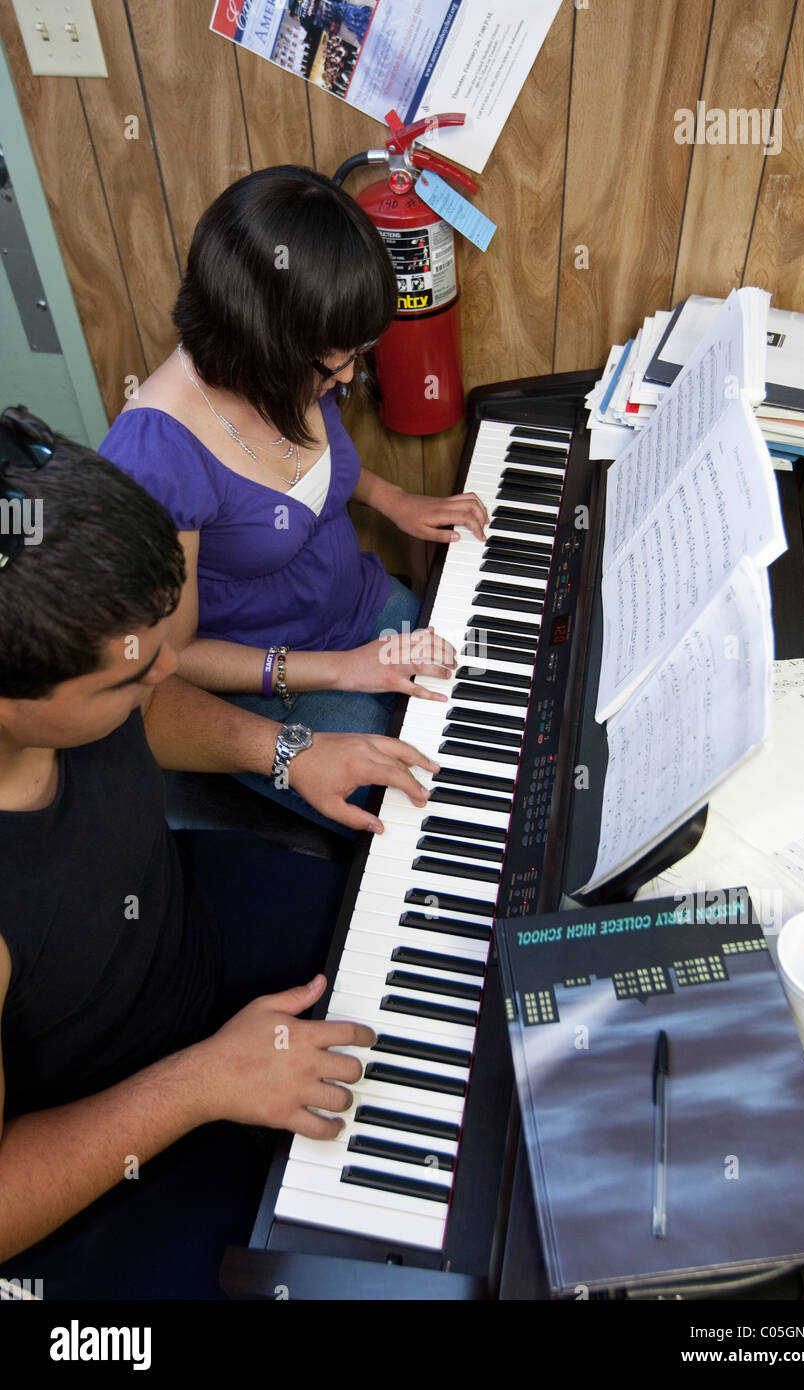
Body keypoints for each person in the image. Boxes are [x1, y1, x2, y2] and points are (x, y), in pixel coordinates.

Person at [0, 408, 441, 1298]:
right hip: (101, 1143)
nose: (166, 670)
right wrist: (202, 1084)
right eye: (130, 672)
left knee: (427, 936)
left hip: (184, 936)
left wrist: (288, 751)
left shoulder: (84, 681)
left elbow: (148, 709)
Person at [99, 166, 488, 829]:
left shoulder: (299, 376)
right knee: (433, 802)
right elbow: (172, 656)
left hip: (362, 609)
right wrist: (339, 671)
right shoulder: (156, 456)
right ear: (263, 347)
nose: (349, 376)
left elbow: (306, 479)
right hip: (270, 689)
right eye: (335, 362)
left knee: (489, 689)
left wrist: (391, 498)